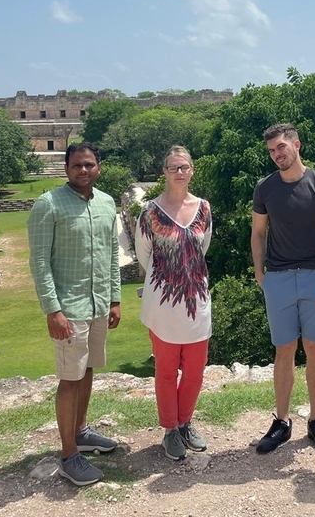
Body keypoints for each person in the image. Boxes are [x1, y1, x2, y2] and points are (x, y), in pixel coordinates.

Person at [28, 142, 122, 487]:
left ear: (99, 167)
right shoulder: (49, 204)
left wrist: (114, 299)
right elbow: (39, 261)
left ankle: (80, 431)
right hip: (70, 307)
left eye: (90, 165)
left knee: (87, 369)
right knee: (70, 379)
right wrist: (53, 309)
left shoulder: (105, 202)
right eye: (77, 165)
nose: (84, 170)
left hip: (98, 304)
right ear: (66, 168)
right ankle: (69, 455)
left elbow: (111, 254)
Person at [251, 123, 315, 455]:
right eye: (272, 150)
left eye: (281, 147)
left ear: (296, 145)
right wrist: (261, 273)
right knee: (284, 350)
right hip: (278, 278)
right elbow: (258, 232)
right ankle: (282, 421)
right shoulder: (265, 188)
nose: (277, 154)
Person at [135, 146, 213, 461]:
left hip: (196, 301)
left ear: (192, 170)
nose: (179, 172)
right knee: (166, 370)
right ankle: (170, 429)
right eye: (173, 167)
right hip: (163, 305)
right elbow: (145, 255)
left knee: (195, 371)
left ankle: (185, 422)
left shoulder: (204, 208)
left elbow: (201, 248)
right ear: (164, 173)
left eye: (184, 167)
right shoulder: (150, 212)